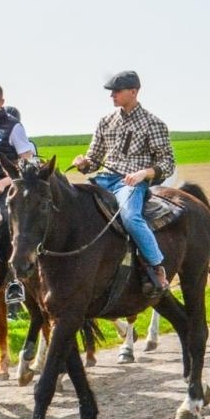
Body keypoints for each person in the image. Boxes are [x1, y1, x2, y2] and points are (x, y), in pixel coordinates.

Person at [70, 71, 176, 296]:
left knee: (130, 217)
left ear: (134, 92)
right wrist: (83, 162)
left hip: (129, 183)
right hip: (102, 180)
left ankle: (156, 267)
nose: (112, 96)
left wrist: (143, 173)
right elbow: (94, 160)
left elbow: (167, 163)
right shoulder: (105, 122)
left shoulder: (153, 123)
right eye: (111, 92)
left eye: (117, 91)